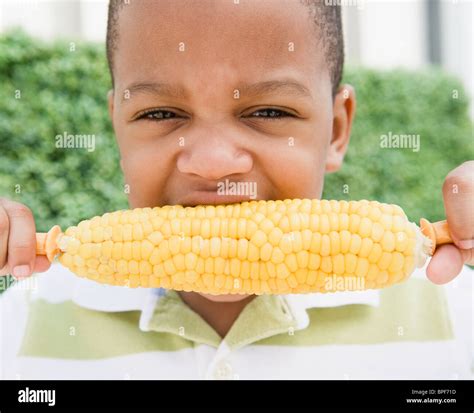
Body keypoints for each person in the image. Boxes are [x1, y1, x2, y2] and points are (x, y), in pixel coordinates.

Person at [0, 0, 472, 379]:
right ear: (117, 130)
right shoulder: (21, 325)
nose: (211, 163)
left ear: (336, 131)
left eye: (268, 112)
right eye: (160, 114)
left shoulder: (455, 316)